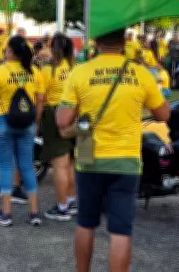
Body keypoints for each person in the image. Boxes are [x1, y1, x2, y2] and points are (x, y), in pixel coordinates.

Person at [57, 28, 170, 272]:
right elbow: (164, 114)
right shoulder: (140, 73)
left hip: (89, 158)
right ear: (124, 42)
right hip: (127, 161)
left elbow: (62, 120)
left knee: (85, 223)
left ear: (96, 42)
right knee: (121, 230)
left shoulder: (81, 72)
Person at [0, 35, 45, 227]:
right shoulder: (34, 71)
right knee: (27, 166)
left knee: (6, 165)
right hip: (27, 123)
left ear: (10, 51)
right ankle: (34, 213)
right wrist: (36, 123)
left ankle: (6, 213)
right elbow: (40, 101)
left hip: (3, 122)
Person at [40, 34, 77, 221]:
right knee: (70, 162)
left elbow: (41, 98)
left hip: (55, 115)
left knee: (59, 165)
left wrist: (37, 120)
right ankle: (70, 200)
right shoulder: (76, 69)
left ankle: (62, 207)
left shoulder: (48, 71)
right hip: (75, 116)